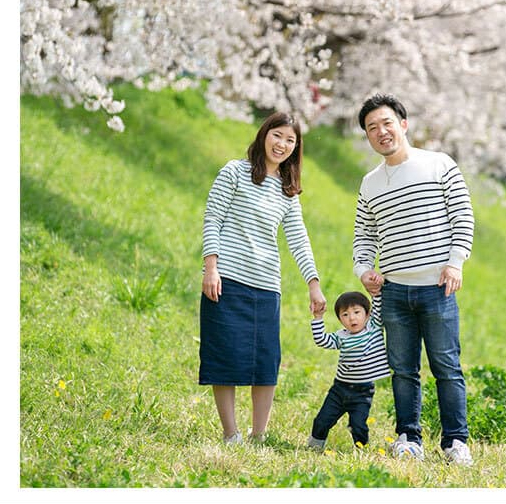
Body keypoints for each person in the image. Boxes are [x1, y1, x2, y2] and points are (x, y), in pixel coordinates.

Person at [353, 93, 475, 466]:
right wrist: (364, 271)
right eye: (372, 128)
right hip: (392, 293)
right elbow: (363, 237)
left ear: (403, 124)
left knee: (446, 367)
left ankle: (456, 442)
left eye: (386, 122)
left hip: (438, 289)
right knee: (403, 370)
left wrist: (455, 263)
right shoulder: (370, 183)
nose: (381, 131)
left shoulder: (439, 164)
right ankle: (409, 438)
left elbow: (463, 218)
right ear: (368, 137)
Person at [199, 111, 327, 445]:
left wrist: (313, 284)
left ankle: (259, 435)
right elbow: (212, 218)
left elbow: (298, 238)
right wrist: (210, 268)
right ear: (264, 134)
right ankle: (231, 434)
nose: (282, 144)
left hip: (266, 285)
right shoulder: (234, 172)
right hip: (226, 279)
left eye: (290, 140)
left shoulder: (289, 191)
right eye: (277, 135)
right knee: (223, 357)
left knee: (265, 361)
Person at [306, 290, 390, 451]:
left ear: (367, 314)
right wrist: (318, 318)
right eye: (345, 315)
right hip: (339, 389)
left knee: (358, 425)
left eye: (357, 312)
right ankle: (314, 446)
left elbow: (378, 308)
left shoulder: (373, 327)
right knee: (322, 420)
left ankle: (361, 449)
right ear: (340, 320)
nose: (352, 318)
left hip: (362, 391)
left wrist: (376, 293)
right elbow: (321, 340)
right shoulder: (341, 336)